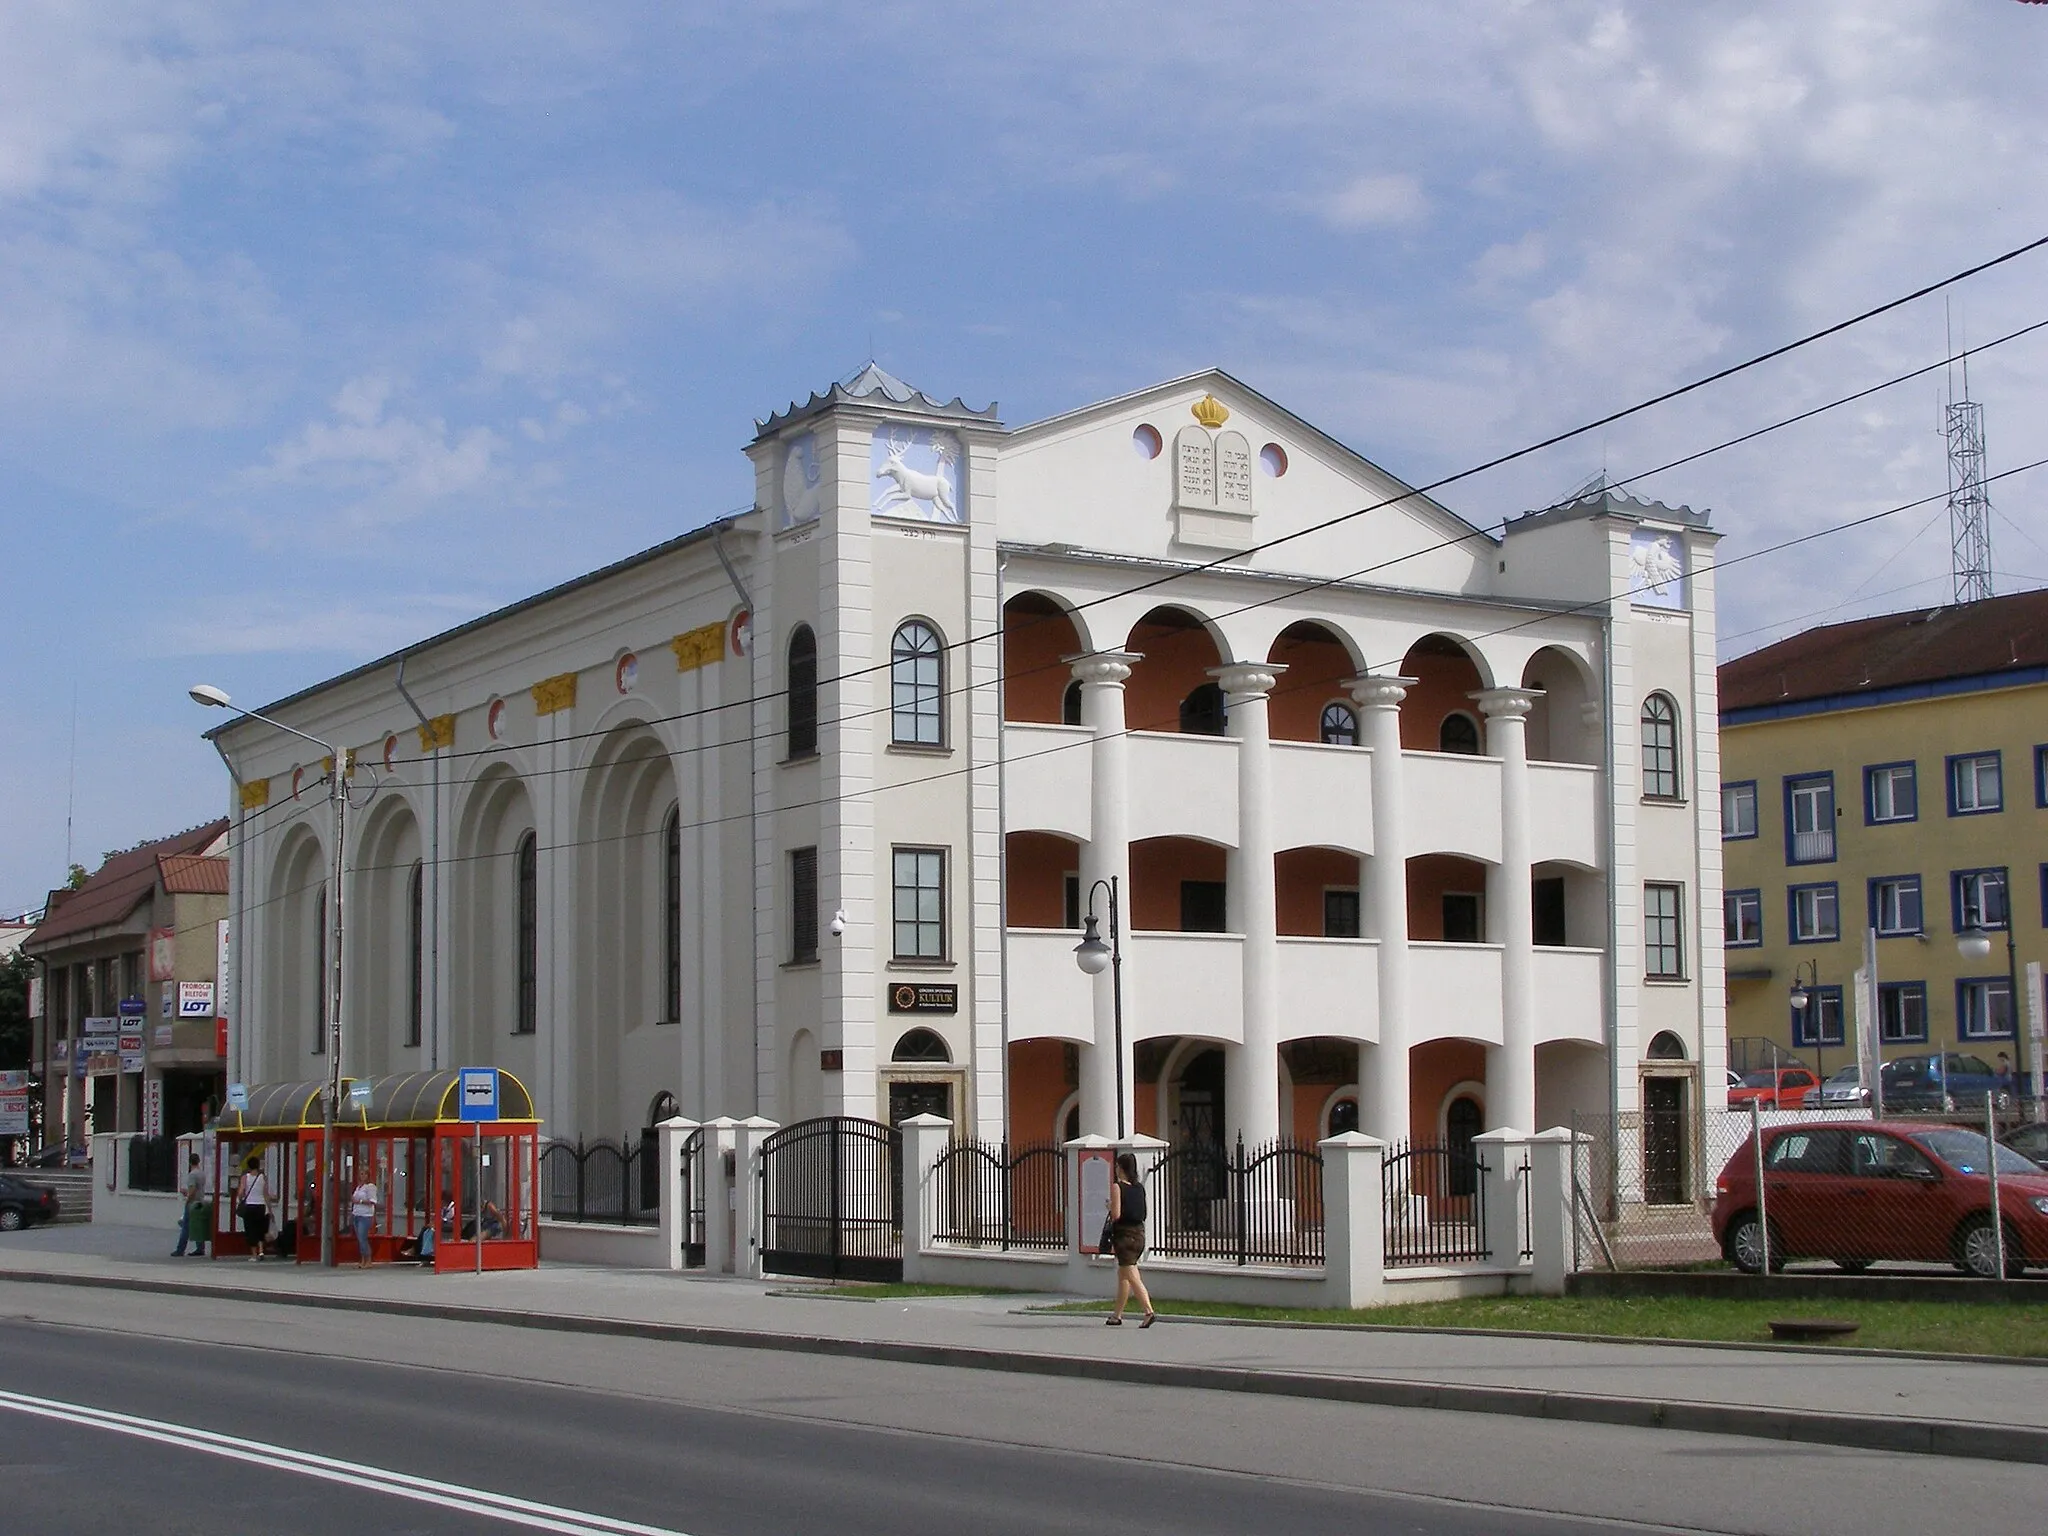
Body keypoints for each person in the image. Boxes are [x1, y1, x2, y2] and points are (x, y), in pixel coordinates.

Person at [1104, 1151, 1155, 1328]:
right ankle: (1116, 1315)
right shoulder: (1139, 1187)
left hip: (1124, 1237)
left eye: (1117, 1166)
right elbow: (1144, 1212)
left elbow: (1116, 1214)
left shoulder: (1118, 1187)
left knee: (1132, 1275)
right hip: (1139, 1235)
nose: (1116, 1169)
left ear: (1121, 1168)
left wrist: (1110, 1206)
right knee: (1123, 1275)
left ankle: (1148, 1311)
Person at [236, 1156, 271, 1261]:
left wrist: (240, 1197)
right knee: (260, 1229)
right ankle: (261, 1251)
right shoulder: (262, 1177)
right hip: (261, 1206)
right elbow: (266, 1194)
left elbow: (241, 1192)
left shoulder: (245, 1178)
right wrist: (269, 1209)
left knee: (251, 1230)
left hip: (250, 1206)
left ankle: (254, 1254)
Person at [172, 1153, 208, 1258]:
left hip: (192, 1203)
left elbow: (192, 1189)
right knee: (198, 1225)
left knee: (186, 1226)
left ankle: (180, 1250)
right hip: (200, 1201)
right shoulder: (202, 1173)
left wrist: (187, 1197)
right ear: (199, 1161)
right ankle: (200, 1248)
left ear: (189, 1162)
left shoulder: (192, 1174)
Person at [350, 1173, 380, 1268]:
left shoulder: (370, 1187)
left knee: (363, 1238)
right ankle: (363, 1259)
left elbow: (373, 1201)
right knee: (360, 1239)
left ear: (368, 1176)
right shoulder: (359, 1187)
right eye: (360, 1174)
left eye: (364, 1174)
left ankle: (369, 1260)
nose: (361, 1176)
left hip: (365, 1216)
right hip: (356, 1214)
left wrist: (360, 1201)